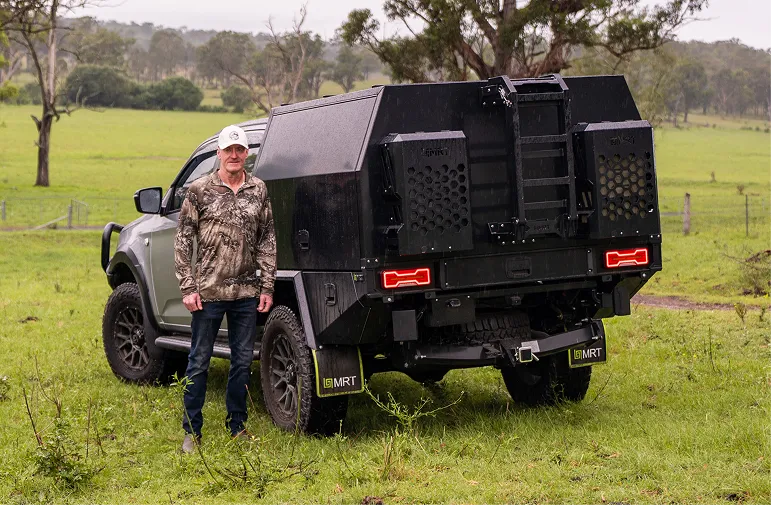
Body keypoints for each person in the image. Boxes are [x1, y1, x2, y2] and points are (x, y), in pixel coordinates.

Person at [174, 124, 276, 453]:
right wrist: (188, 286)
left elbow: (267, 240)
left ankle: (237, 426)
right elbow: (182, 240)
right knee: (199, 361)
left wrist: (267, 285)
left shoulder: (258, 190)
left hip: (246, 293)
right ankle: (192, 431)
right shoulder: (199, 190)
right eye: (228, 150)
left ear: (247, 154)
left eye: (240, 150)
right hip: (208, 294)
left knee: (242, 362)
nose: (234, 155)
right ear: (219, 154)